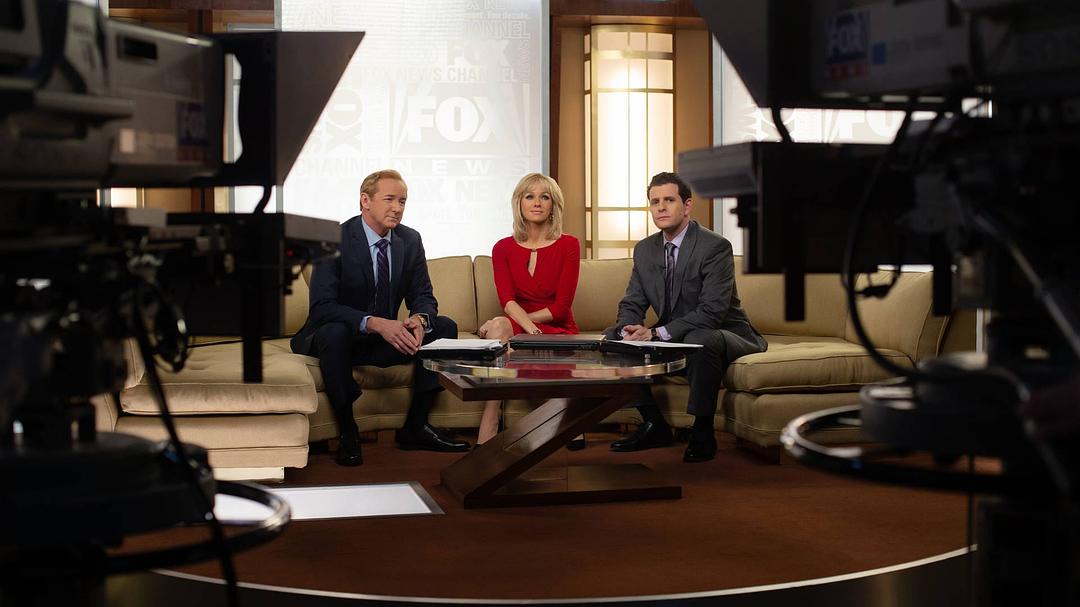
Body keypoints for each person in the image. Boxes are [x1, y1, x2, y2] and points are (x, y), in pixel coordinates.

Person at [291, 169, 469, 466]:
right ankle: (348, 431)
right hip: (340, 339)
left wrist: (420, 320)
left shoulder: (409, 240)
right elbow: (322, 307)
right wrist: (373, 322)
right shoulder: (333, 239)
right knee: (334, 331)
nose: (397, 208)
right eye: (389, 199)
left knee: (444, 327)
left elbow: (424, 295)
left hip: (382, 340)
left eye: (403, 201)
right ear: (365, 200)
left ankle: (416, 426)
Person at [604, 172, 767, 462]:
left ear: (687, 205)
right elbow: (632, 301)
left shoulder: (714, 246)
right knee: (613, 338)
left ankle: (702, 430)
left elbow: (712, 312)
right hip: (673, 334)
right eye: (655, 202)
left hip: (723, 332)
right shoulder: (645, 249)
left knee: (700, 339)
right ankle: (653, 423)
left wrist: (656, 334)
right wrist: (630, 327)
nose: (661, 208)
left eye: (669, 200)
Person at [475, 173, 582, 445]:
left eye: (544, 197)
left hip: (556, 328)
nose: (537, 203)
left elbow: (560, 309)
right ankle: (492, 414)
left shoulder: (569, 245)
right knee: (501, 325)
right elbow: (507, 301)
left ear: (553, 205)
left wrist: (521, 327)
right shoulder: (502, 248)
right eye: (530, 196)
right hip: (522, 326)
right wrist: (529, 330)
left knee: (499, 326)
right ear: (519, 203)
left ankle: (562, 411)